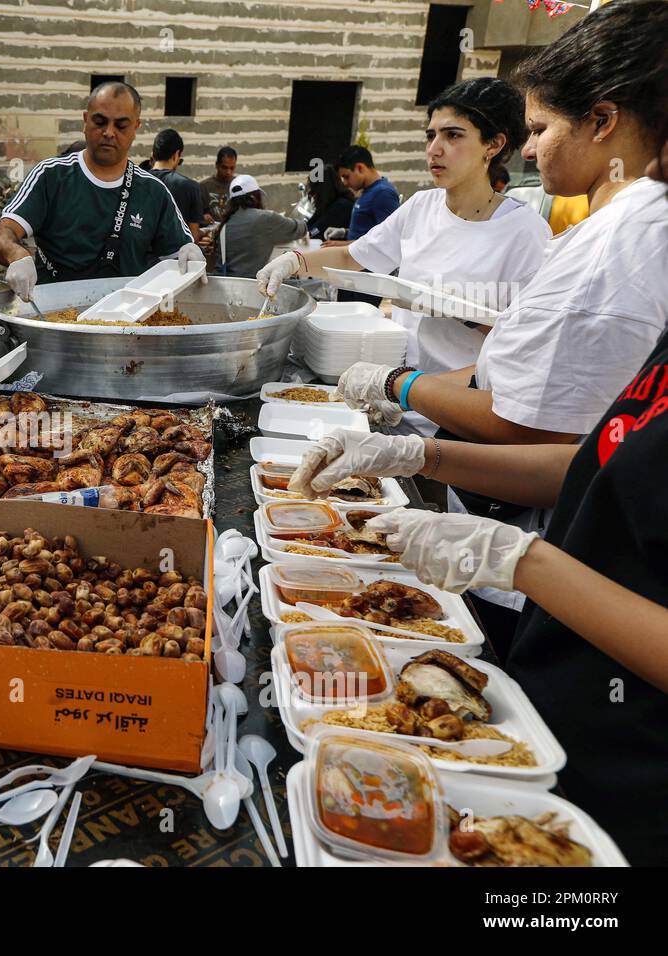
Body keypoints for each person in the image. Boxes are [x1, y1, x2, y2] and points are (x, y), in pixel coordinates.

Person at [287, 101, 667, 853]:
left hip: (638, 766)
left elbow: (531, 415)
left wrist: (524, 562)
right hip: (560, 699)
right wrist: (423, 456)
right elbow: (596, 461)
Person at [294, 1, 668, 643]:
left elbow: (536, 429)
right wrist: (420, 447)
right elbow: (594, 446)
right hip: (481, 466)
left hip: (563, 565)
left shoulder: (619, 244)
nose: (530, 147)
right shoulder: (608, 230)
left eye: (541, 128)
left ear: (603, 121)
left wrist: (400, 391)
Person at [259, 78, 549, 391]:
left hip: (456, 403)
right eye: (431, 135)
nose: (434, 149)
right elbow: (351, 256)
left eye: (453, 135)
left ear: (493, 145)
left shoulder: (524, 232)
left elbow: (525, 343)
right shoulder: (422, 206)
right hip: (393, 389)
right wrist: (293, 261)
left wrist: (459, 312)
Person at [0, 81, 205, 301]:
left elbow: (179, 256)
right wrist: (17, 256)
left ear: (136, 128)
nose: (109, 133)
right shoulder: (51, 176)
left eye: (121, 126)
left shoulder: (154, 192)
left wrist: (190, 255)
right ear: (85, 121)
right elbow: (3, 235)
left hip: (128, 323)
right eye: (100, 122)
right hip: (54, 318)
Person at [215, 174, 306, 278]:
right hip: (255, 288)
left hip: (229, 285)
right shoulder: (265, 218)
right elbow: (299, 228)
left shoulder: (225, 225)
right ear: (254, 197)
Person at [334, 144, 400, 241]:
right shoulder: (368, 191)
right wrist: (345, 232)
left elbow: (389, 239)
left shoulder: (383, 194)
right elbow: (368, 230)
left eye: (346, 176)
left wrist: (343, 247)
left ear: (360, 168)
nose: (345, 183)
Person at [148, 128, 204, 242]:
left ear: (153, 154)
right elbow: (193, 238)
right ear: (176, 154)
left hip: (138, 257)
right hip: (175, 258)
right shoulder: (190, 187)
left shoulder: (134, 181)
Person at [304, 164, 354, 240]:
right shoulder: (329, 203)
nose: (313, 193)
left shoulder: (342, 205)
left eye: (315, 188)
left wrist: (308, 235)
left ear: (323, 188)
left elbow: (319, 229)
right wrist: (297, 230)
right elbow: (311, 223)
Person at [200, 145, 237, 223]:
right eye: (224, 167)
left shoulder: (239, 186)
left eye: (232, 168)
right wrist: (202, 218)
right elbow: (194, 216)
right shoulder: (204, 186)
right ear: (217, 165)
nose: (228, 172)